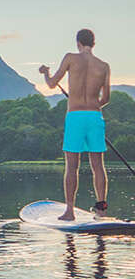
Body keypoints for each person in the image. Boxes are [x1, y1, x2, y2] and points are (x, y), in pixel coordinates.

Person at [40, 28, 111, 220]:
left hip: (75, 116)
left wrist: (46, 73)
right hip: (95, 116)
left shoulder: (71, 58)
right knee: (98, 165)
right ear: (93, 43)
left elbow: (52, 84)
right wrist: (93, 106)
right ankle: (102, 210)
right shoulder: (103, 66)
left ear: (78, 42)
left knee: (72, 166)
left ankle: (69, 211)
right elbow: (106, 98)